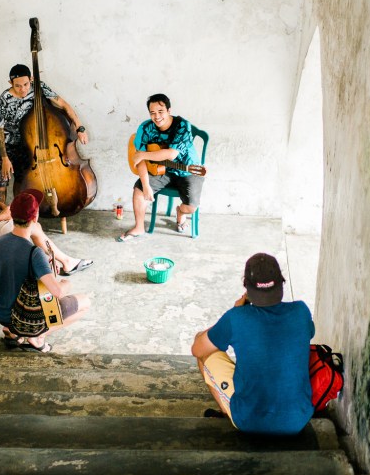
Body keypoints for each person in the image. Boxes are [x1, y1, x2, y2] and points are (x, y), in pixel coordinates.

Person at [190, 253, 315, 435]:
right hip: (299, 419)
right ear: (281, 283)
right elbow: (308, 333)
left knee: (203, 347)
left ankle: (228, 412)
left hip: (249, 421)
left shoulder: (236, 317)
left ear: (246, 287)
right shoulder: (301, 311)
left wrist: (235, 311)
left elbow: (197, 349)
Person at [0, 130, 93, 274]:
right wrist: (2, 216)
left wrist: (4, 207)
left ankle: (61, 262)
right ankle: (51, 266)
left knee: (35, 225)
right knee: (27, 231)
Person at [0, 190, 91, 352]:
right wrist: (65, 283)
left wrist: (44, 267)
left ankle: (13, 332)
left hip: (2, 314)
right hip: (24, 319)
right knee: (85, 302)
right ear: (35, 218)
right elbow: (57, 292)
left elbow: (15, 271)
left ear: (12, 215)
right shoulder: (34, 252)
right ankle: (37, 336)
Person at [0, 63, 90, 203]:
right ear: (10, 83)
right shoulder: (4, 100)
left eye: (26, 84)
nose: (22, 89)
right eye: (17, 86)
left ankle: (24, 210)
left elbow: (63, 104)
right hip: (9, 144)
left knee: (22, 180)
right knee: (1, 179)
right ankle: (1, 212)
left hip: (31, 143)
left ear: (31, 79)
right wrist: (4, 158)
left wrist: (80, 127)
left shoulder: (39, 87)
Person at [118, 93, 203, 241]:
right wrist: (146, 185)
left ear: (169, 111)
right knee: (139, 190)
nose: (157, 116)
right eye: (152, 113)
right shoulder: (145, 128)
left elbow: (171, 154)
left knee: (191, 207)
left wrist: (144, 155)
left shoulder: (183, 126)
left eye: (160, 111)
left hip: (188, 170)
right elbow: (139, 160)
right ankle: (139, 227)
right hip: (161, 171)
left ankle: (180, 212)